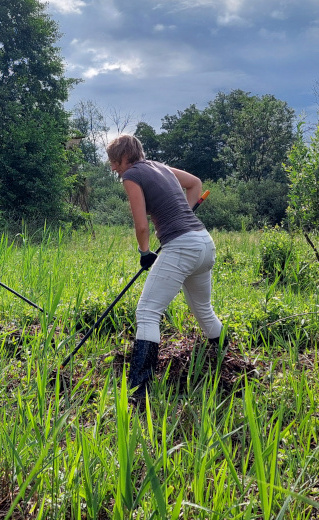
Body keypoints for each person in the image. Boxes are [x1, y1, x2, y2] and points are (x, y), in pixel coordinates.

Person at [107, 134, 224, 402]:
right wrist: (187, 212)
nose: (113, 167)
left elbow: (141, 225)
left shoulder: (132, 176)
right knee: (204, 311)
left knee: (147, 312)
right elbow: (194, 183)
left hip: (182, 247)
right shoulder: (161, 167)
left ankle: (138, 393)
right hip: (204, 243)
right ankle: (225, 360)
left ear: (125, 157)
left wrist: (144, 252)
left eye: (115, 161)